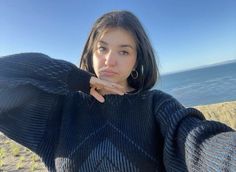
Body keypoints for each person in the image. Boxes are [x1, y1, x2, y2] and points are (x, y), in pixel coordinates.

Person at [0, 10, 235, 172]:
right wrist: (73, 77)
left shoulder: (156, 105)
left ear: (137, 59)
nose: (109, 61)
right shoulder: (61, 107)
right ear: (90, 52)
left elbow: (198, 141)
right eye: (102, 48)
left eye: (123, 51)